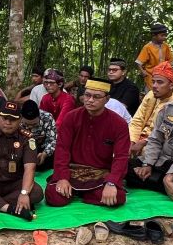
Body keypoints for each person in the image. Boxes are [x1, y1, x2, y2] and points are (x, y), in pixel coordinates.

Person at [46, 78, 130, 207]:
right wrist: (62, 177)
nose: (90, 100)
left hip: (99, 175)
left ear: (107, 99)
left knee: (118, 197)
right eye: (87, 95)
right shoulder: (71, 117)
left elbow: (121, 157)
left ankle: (82, 193)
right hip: (72, 171)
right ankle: (87, 194)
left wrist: (111, 183)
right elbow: (62, 148)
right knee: (54, 197)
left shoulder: (119, 124)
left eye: (96, 97)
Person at [128, 61, 173, 158]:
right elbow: (137, 121)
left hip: (156, 143)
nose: (154, 86)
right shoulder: (150, 95)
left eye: (160, 82)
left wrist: (143, 142)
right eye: (153, 82)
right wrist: (132, 141)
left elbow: (165, 133)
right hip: (137, 138)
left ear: (171, 85)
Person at [21, 98, 57, 170]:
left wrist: (44, 154)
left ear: (39, 116)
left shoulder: (47, 117)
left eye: (34, 124)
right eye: (26, 124)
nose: (30, 127)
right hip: (23, 151)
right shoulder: (16, 119)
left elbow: (53, 140)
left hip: (42, 151)